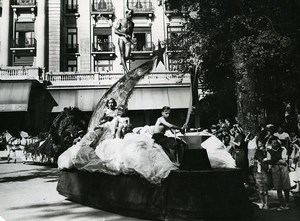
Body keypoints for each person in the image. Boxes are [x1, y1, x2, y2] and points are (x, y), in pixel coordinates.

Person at [266, 136, 291, 211]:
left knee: (286, 186)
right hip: (275, 169)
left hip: (283, 168)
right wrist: (277, 160)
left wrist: (275, 160)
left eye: (276, 142)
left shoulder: (282, 149)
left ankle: (287, 203)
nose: (275, 144)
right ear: (271, 144)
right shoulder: (269, 151)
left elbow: (283, 161)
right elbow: (269, 161)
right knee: (278, 187)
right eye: (273, 143)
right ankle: (281, 204)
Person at [114, 8, 134, 74]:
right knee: (122, 55)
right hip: (121, 38)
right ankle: (127, 71)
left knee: (127, 56)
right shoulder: (120, 21)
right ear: (126, 14)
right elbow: (115, 31)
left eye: (131, 15)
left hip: (127, 40)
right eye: (129, 14)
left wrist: (130, 37)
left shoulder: (132, 24)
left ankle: (123, 62)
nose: (130, 16)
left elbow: (131, 33)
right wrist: (123, 34)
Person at [253, 139, 269, 210]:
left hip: (264, 171)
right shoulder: (257, 151)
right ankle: (262, 203)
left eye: (260, 142)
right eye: (258, 142)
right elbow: (254, 160)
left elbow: (267, 160)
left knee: (265, 189)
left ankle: (266, 204)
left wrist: (262, 161)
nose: (259, 144)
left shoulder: (265, 151)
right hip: (258, 171)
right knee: (260, 189)